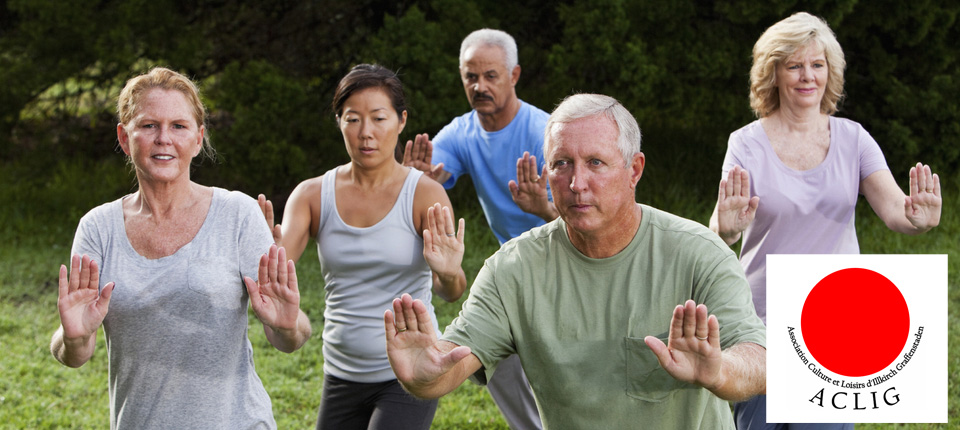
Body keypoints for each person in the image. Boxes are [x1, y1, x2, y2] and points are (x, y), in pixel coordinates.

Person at [385, 94, 767, 429]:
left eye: (596, 163)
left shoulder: (697, 252)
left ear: (634, 170)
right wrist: (422, 374)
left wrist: (719, 371)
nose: (576, 183)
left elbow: (760, 359)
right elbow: (448, 364)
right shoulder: (513, 270)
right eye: (562, 163)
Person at [708, 12, 942, 430]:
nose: (807, 76)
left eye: (817, 65)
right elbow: (719, 232)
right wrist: (724, 228)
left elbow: (894, 211)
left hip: (835, 318)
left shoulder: (853, 138)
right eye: (794, 65)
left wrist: (918, 218)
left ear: (830, 72)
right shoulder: (744, 143)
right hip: (760, 318)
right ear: (773, 73)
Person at [49, 67, 312, 430]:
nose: (163, 139)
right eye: (148, 125)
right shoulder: (98, 228)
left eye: (178, 126)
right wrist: (73, 336)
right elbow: (74, 355)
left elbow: (291, 338)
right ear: (125, 139)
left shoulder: (238, 214)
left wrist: (287, 326)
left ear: (199, 138)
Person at [258, 64, 466, 430]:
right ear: (339, 122)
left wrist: (448, 272)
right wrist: (261, 250)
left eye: (379, 118)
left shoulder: (425, 194)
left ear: (401, 121)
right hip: (341, 372)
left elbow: (451, 291)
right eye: (353, 119)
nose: (366, 133)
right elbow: (276, 273)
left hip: (411, 370)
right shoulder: (311, 195)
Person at [402, 28, 551, 430]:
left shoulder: (545, 132)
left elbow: (592, 221)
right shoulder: (463, 131)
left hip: (566, 261)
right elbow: (432, 176)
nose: (479, 86)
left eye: (490, 75)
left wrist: (544, 208)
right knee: (492, 355)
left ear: (514, 75)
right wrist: (417, 181)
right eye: (470, 76)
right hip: (514, 269)